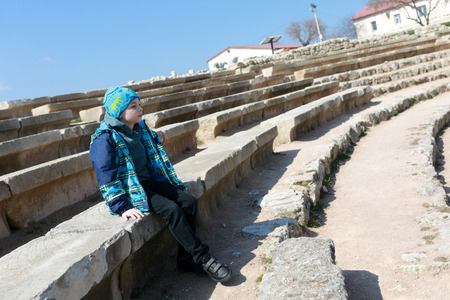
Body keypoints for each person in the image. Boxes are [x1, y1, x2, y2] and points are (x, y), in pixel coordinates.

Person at [89, 86, 231, 283]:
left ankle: (185, 259)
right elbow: (106, 176)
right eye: (133, 106)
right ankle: (203, 258)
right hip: (135, 191)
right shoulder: (105, 139)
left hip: (152, 182)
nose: (140, 109)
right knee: (172, 210)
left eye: (139, 104)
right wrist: (122, 206)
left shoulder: (140, 129)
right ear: (119, 112)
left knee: (189, 202)